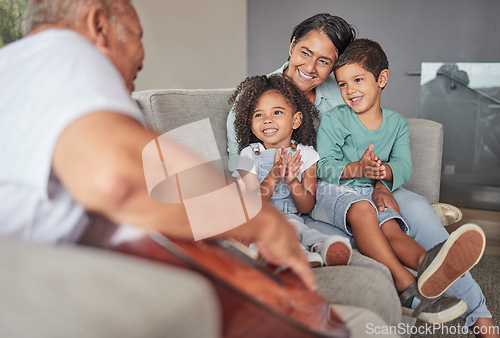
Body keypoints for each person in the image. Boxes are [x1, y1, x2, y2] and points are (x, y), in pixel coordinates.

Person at [0, 1, 402, 337]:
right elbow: (119, 178)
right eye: (138, 36)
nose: (141, 56)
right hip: (100, 277)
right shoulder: (64, 58)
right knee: (354, 324)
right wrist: (261, 223)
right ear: (98, 25)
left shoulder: (15, 67)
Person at [227, 12, 496, 336]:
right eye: (305, 53)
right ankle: (419, 283)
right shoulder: (255, 98)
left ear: (335, 63)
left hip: (356, 183)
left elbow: (371, 141)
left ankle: (479, 313)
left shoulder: (340, 88)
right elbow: (244, 178)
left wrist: (383, 181)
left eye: (324, 61)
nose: (311, 68)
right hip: (314, 194)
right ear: (292, 45)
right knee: (373, 221)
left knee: (418, 213)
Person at [312, 38, 495, 332]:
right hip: (338, 191)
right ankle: (411, 278)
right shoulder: (335, 120)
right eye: (343, 84)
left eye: (357, 80)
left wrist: (384, 172)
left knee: (391, 228)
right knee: (367, 215)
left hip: (374, 193)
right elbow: (322, 166)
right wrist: (356, 167)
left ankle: (431, 263)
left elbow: (404, 166)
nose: (349, 91)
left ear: (381, 78)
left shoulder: (396, 123)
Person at [231, 74, 352, 267]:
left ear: (296, 120)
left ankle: (324, 247)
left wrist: (292, 181)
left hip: (291, 217)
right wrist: (272, 177)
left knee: (301, 230)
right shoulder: (247, 155)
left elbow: (306, 207)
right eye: (258, 114)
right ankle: (294, 255)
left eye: (277, 112)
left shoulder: (307, 154)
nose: (267, 120)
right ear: (252, 127)